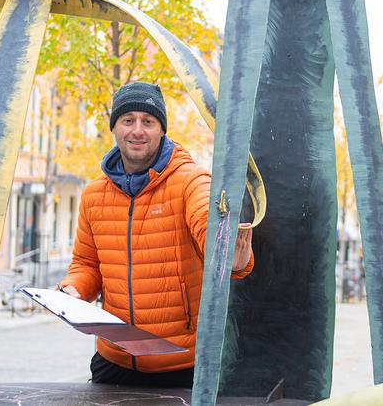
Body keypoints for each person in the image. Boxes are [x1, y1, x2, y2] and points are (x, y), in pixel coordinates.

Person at [57, 81, 254, 388]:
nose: (137, 130)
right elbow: (86, 264)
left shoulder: (192, 180)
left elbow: (208, 225)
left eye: (148, 121)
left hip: (181, 365)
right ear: (114, 127)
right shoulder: (94, 194)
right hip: (114, 362)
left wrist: (229, 257)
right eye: (128, 120)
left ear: (161, 129)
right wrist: (73, 291)